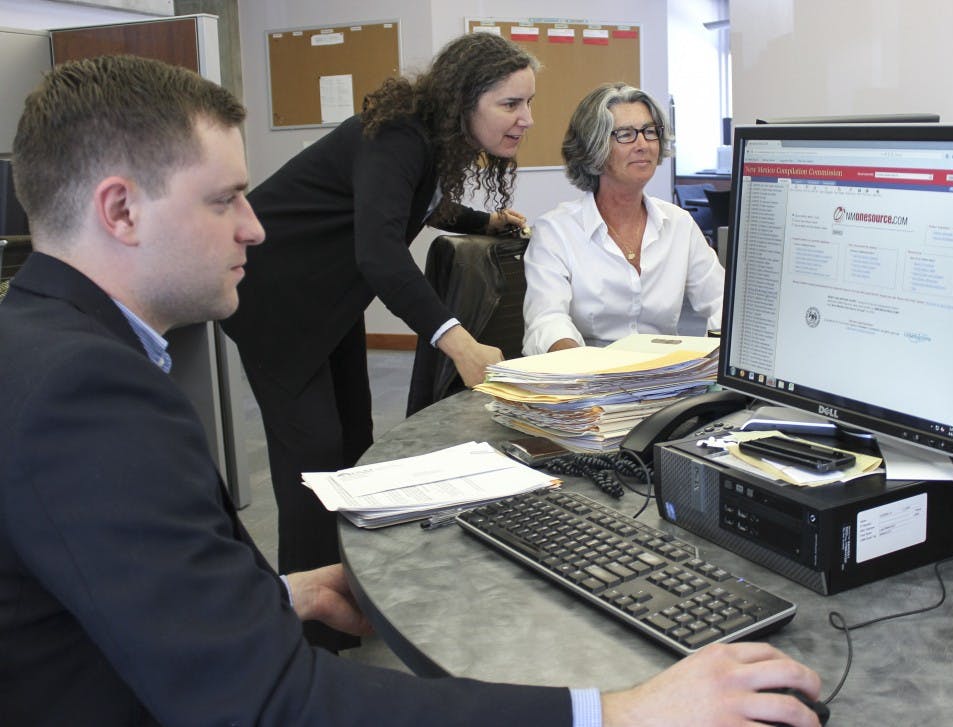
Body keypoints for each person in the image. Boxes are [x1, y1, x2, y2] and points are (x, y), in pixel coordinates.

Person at [0, 54, 823, 727]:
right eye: (227, 200)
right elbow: (271, 702)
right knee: (312, 453)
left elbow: (115, 572)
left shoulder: (46, 345)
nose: (255, 224)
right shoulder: (92, 394)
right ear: (120, 211)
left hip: (325, 314)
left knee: (348, 451)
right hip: (297, 308)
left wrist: (267, 596)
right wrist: (614, 712)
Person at [220, 34, 535, 641]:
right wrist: (457, 339)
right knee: (311, 460)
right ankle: (310, 636)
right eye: (511, 104)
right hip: (276, 299)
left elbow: (414, 205)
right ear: (467, 98)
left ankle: (350, 597)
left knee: (353, 443)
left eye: (528, 103)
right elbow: (382, 251)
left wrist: (483, 219)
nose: (526, 119)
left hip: (328, 298)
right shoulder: (398, 134)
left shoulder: (431, 136)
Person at [522, 83, 725, 355]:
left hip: (666, 379)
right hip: (590, 380)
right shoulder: (556, 231)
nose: (642, 144)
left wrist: (713, 358)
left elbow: (723, 301)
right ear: (593, 147)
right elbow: (547, 320)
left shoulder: (679, 224)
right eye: (625, 134)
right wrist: (574, 366)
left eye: (649, 132)